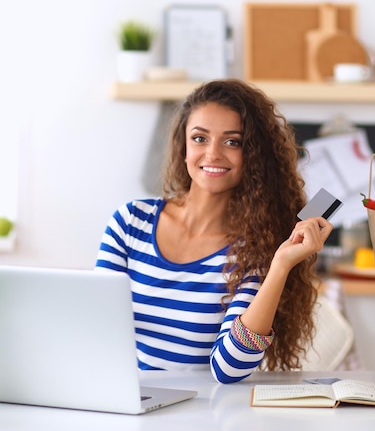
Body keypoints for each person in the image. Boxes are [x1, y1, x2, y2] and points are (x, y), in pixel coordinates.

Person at [96, 78, 333, 383]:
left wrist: (281, 265)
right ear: (183, 147)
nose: (212, 154)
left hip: (202, 413)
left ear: (253, 157)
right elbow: (95, 325)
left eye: (232, 141)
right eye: (199, 138)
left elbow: (229, 368)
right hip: (125, 399)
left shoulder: (252, 251)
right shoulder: (130, 222)